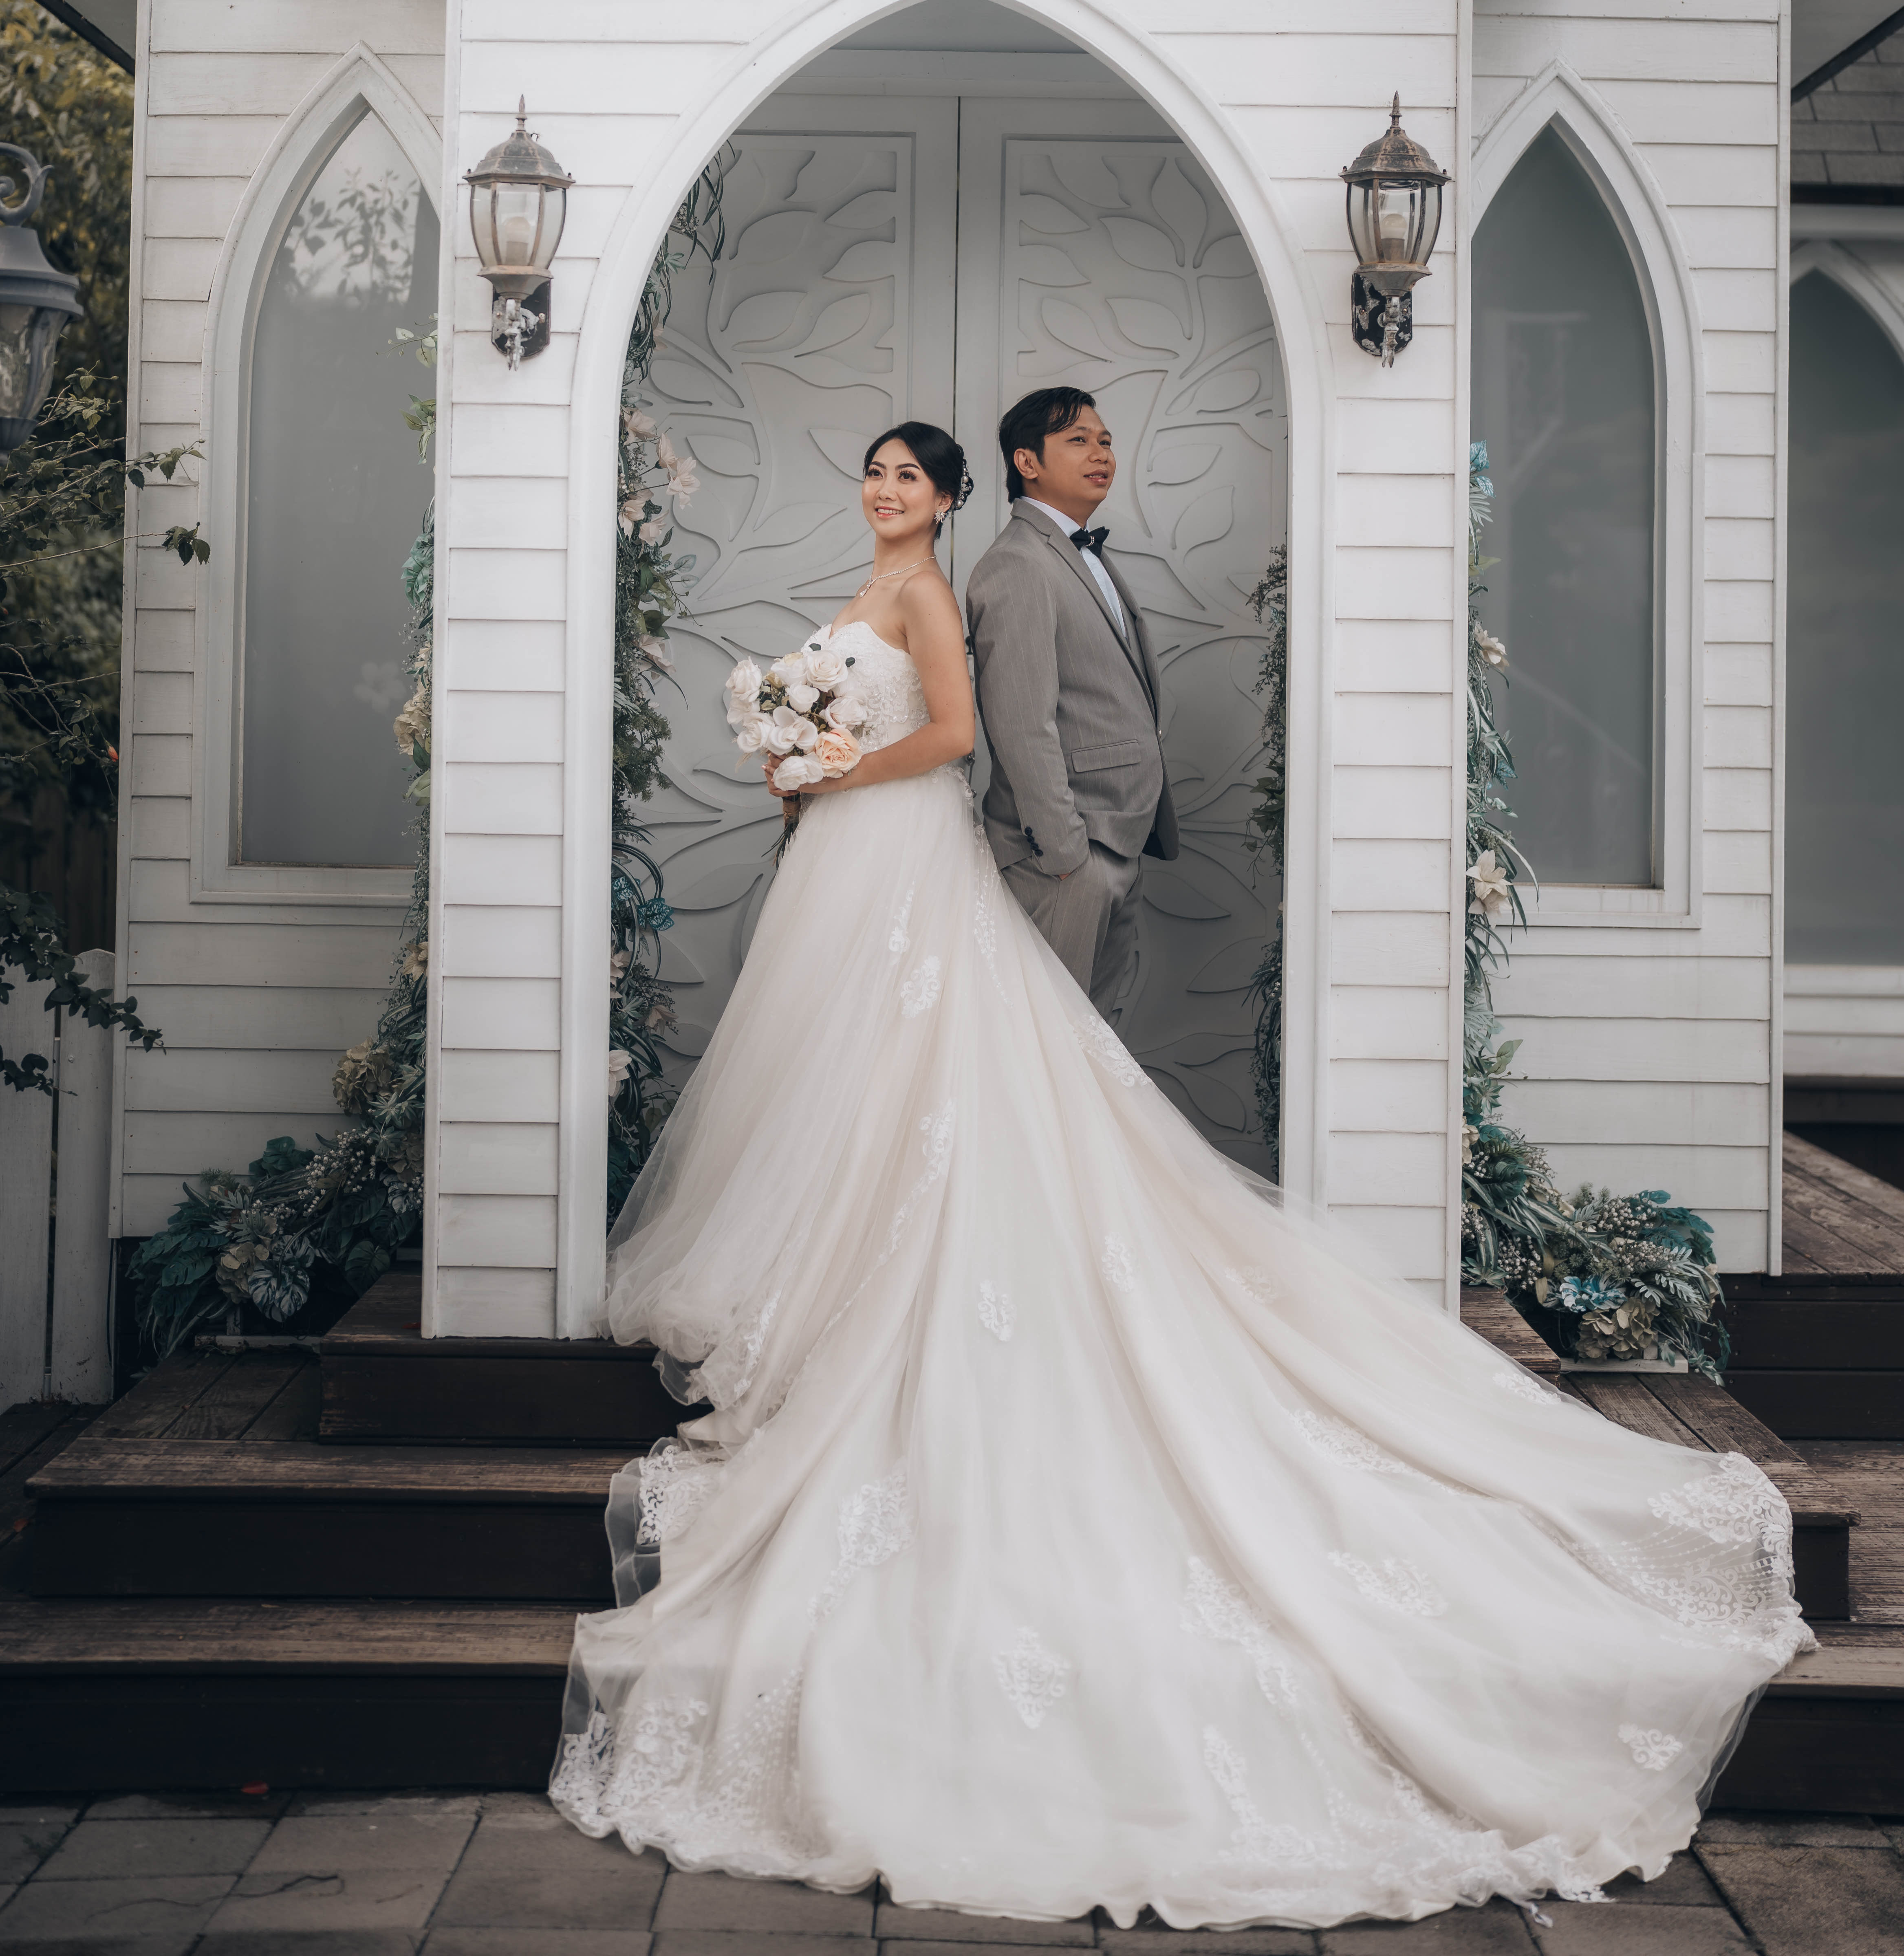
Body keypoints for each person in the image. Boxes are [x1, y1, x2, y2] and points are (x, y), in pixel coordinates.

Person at [551, 417, 1806, 1931]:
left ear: (952, 496)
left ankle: (904, 1270)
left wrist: (825, 754)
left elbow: (954, 736)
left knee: (936, 1088)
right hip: (847, 861)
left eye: (910, 476)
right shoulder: (865, 585)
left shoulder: (935, 593)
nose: (888, 491)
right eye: (875, 471)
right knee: (846, 1086)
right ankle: (836, 1261)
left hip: (897, 853)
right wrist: (799, 757)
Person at [963, 387, 1176, 1017]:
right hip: (1065, 857)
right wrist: (1065, 854)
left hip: (1121, 840)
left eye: (1105, 440)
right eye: (1078, 440)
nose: (1101, 453)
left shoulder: (1085, 553)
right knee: (1046, 1041)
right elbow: (1022, 724)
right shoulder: (1018, 564)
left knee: (1093, 1050)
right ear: (1027, 462)